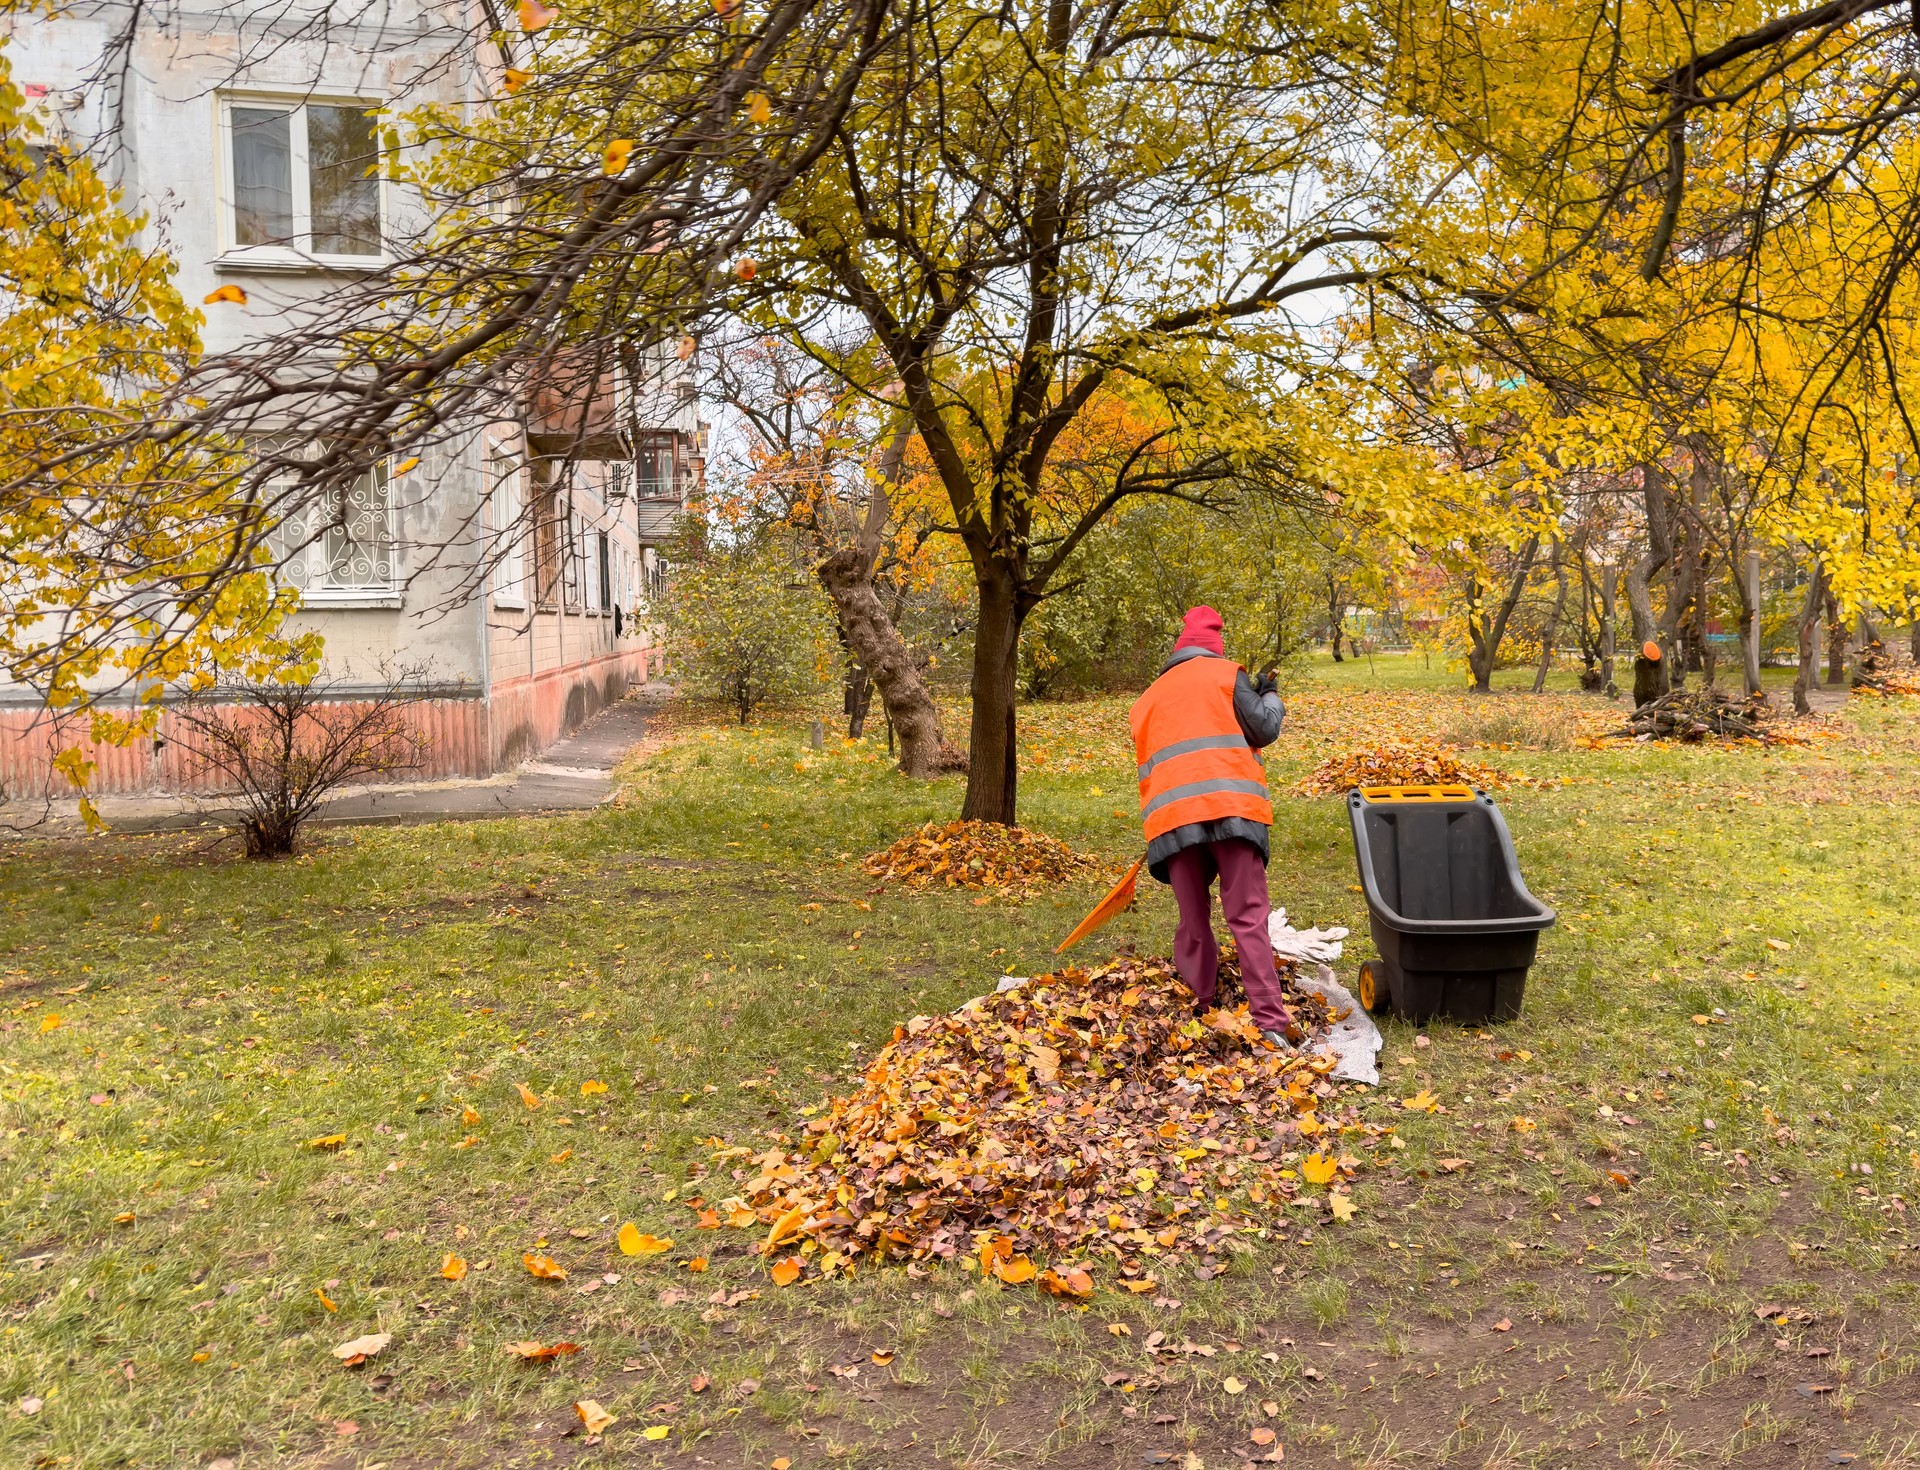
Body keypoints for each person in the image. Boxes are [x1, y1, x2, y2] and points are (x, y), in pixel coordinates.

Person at [1128, 605, 1296, 1045]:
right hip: (1232, 809)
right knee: (1247, 916)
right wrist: (1271, 694)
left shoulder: (1146, 699)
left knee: (1193, 919)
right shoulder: (1226, 675)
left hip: (1173, 820)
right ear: (1216, 648)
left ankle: (1199, 1008)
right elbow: (1262, 728)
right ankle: (1269, 1022)